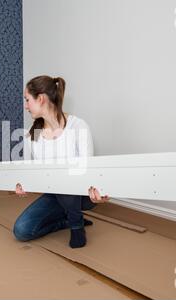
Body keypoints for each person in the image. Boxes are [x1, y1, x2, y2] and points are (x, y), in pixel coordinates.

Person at [13, 75, 109, 248]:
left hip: (80, 193)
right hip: (53, 192)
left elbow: (87, 169)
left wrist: (97, 190)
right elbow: (28, 168)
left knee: (66, 173)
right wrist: (22, 183)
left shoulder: (77, 126)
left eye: (27, 100)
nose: (26, 106)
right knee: (21, 230)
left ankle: (76, 224)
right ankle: (64, 221)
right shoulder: (33, 132)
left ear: (40, 99)